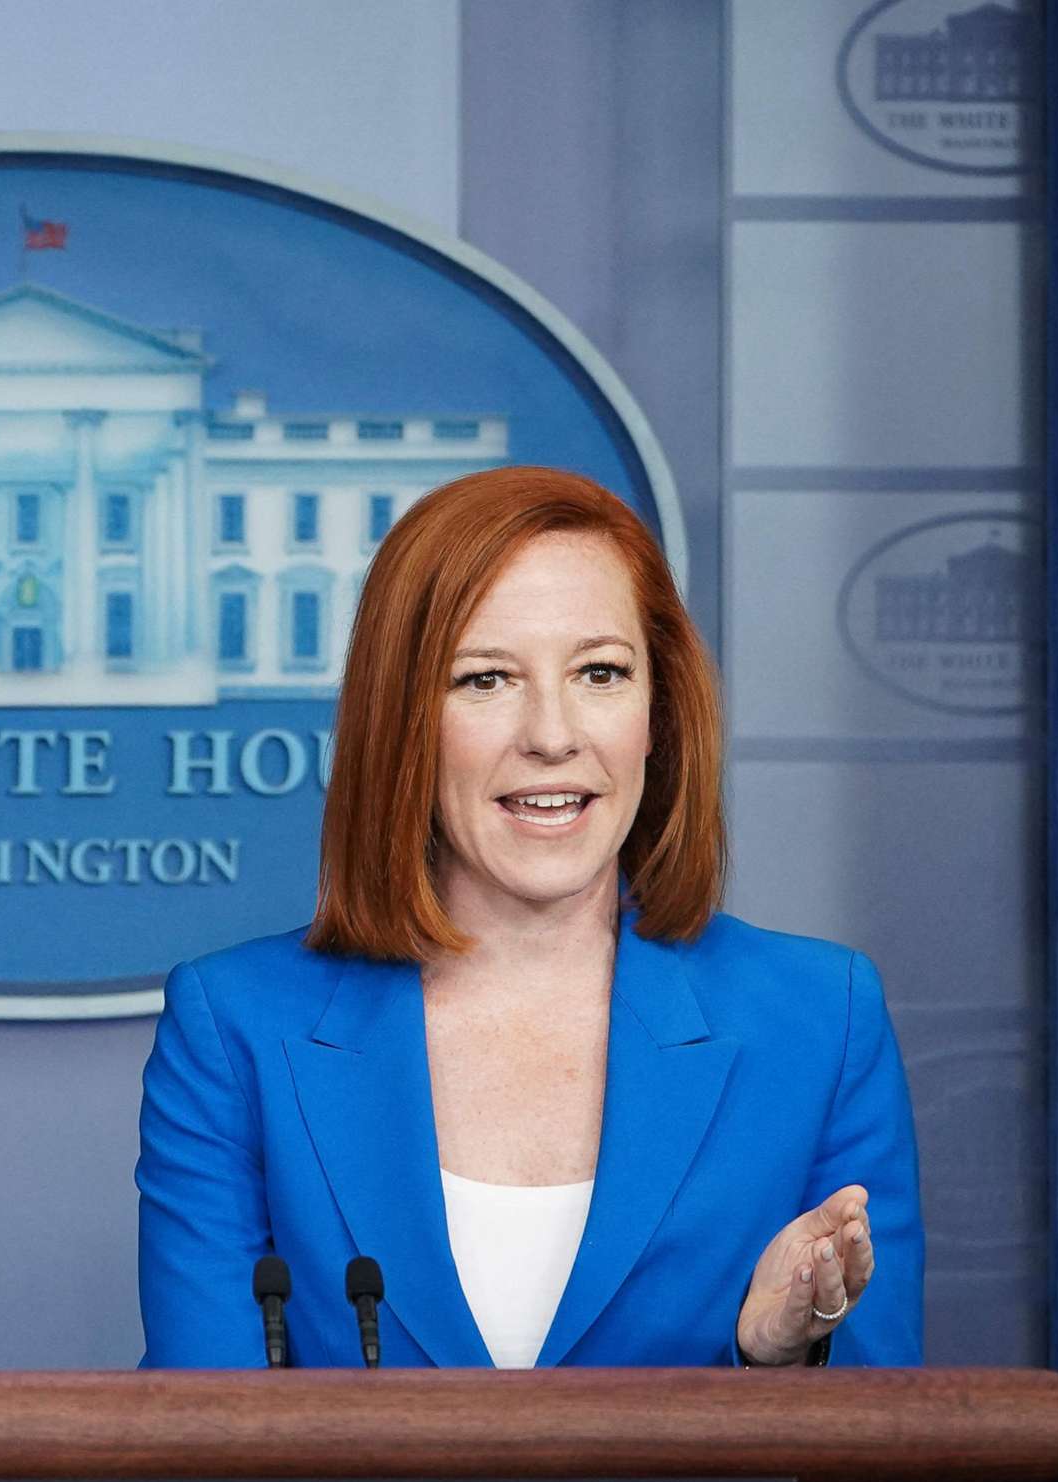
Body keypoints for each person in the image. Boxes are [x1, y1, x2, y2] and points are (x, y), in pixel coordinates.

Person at [137, 465, 923, 1370]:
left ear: (658, 711)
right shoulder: (235, 1026)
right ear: (403, 722)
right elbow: (199, 1463)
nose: (552, 734)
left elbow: (887, 1475)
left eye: (600, 672)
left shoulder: (821, 1019)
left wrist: (779, 1360)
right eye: (485, 680)